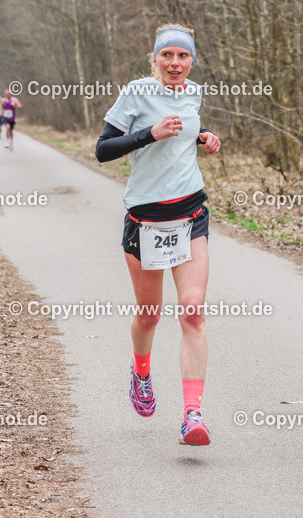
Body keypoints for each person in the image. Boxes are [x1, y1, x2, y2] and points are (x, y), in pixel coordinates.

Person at [95, 23, 221, 446]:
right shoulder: (136, 92)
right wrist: (149, 133)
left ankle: (192, 414)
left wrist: (202, 137)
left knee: (192, 311)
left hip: (189, 213)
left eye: (182, 56)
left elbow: (182, 137)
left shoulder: (194, 92)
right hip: (145, 219)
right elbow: (103, 150)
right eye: (166, 55)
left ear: (192, 61)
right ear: (154, 59)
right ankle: (142, 371)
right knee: (150, 314)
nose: (175, 63)